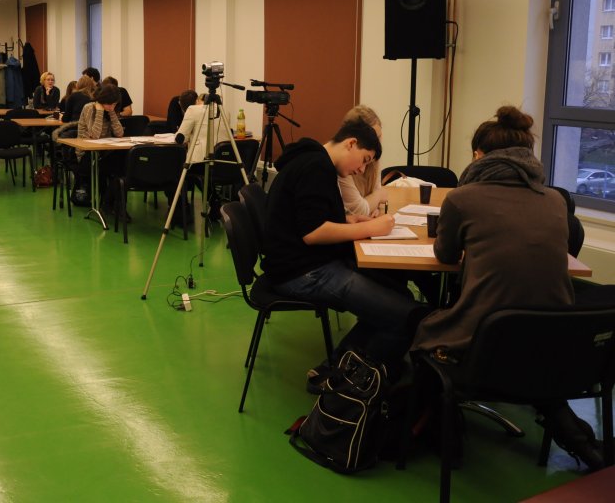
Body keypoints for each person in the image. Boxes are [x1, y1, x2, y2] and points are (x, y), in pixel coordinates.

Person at [411, 106, 603, 470]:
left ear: (478, 156)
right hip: (552, 344)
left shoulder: (463, 198)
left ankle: (441, 429)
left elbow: (445, 254)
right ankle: (580, 439)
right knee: (520, 332)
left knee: (422, 326)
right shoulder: (555, 200)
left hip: (486, 341)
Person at [256, 118, 426, 376]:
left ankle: (335, 369)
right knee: (407, 316)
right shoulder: (316, 167)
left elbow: (305, 217)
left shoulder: (313, 160)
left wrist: (348, 220)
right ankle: (348, 380)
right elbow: (313, 233)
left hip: (300, 264)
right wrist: (371, 228)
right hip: (301, 273)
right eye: (365, 160)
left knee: (399, 297)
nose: (362, 169)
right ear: (351, 143)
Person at [76, 84, 125, 201]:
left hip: (104, 151)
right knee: (106, 167)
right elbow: (94, 136)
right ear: (102, 100)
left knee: (122, 162)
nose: (112, 107)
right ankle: (107, 202)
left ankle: (112, 202)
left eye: (114, 104)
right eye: (109, 104)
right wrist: (99, 112)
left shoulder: (111, 110)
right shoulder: (89, 108)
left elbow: (120, 133)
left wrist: (112, 113)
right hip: (86, 153)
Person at [338, 105, 388, 217]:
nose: (377, 146)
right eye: (373, 139)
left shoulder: (372, 160)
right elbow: (358, 210)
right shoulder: (344, 165)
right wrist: (379, 196)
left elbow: (375, 196)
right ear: (353, 142)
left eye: (379, 137)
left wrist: (374, 205)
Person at [175, 93, 231, 164]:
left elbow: (180, 138)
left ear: (197, 100)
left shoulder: (192, 109)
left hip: (200, 161)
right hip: (224, 158)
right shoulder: (225, 111)